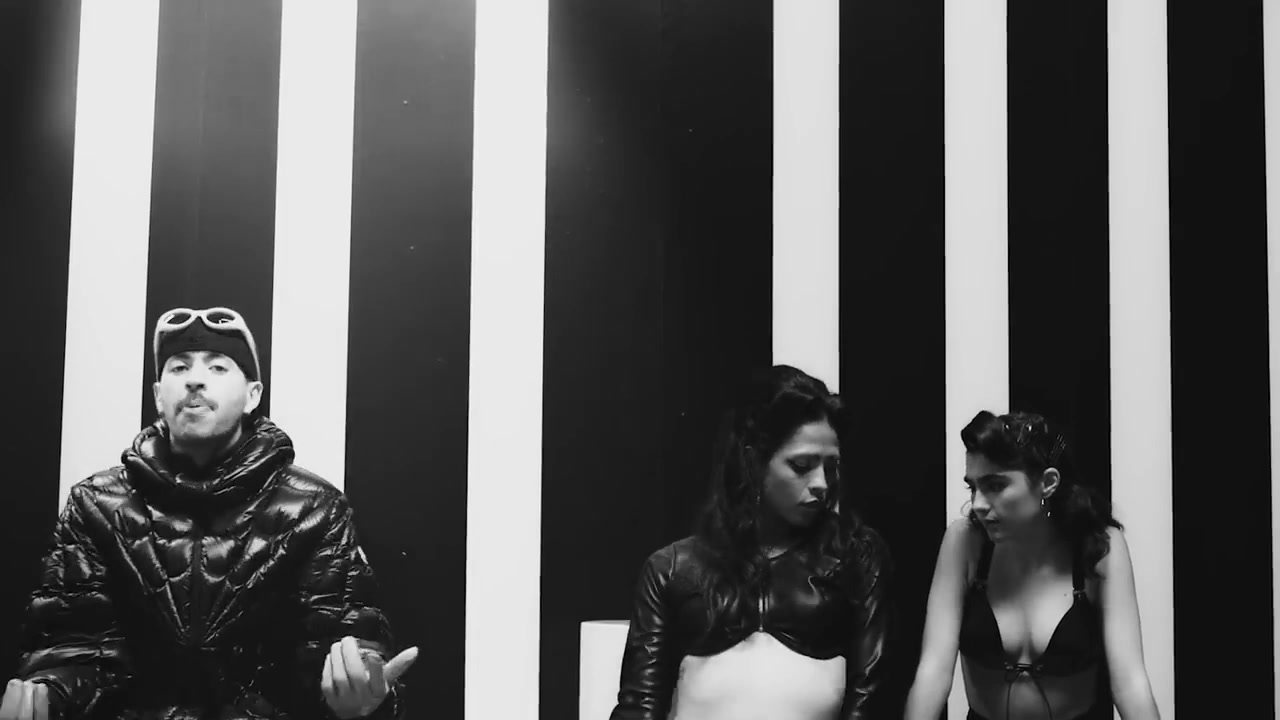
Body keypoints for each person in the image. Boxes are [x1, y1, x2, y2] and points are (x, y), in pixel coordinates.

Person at [1, 307, 417, 720]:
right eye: (179, 367)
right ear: (158, 396)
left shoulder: (313, 508)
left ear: (253, 395)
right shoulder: (96, 503)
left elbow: (345, 644)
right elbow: (71, 646)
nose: (195, 380)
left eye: (217, 367)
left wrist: (362, 692)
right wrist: (48, 693)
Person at [610, 365, 892, 720]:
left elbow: (870, 699)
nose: (822, 482)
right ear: (753, 461)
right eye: (802, 465)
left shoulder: (855, 558)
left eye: (831, 466)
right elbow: (638, 708)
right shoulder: (672, 570)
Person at [904, 411, 1160, 720]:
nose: (978, 504)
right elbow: (933, 672)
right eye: (973, 488)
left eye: (995, 486)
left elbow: (1130, 683)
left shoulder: (1098, 547)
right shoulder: (965, 541)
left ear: (1047, 483)